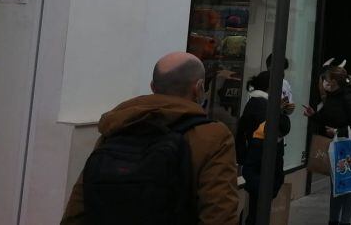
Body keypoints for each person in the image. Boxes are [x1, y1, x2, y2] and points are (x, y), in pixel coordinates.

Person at [62, 52, 239, 224]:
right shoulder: (213, 136)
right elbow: (219, 215)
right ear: (199, 88)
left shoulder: (118, 126)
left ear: (153, 87)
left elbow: (78, 208)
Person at [304, 64, 351, 225]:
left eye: (325, 80)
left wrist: (338, 131)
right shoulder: (332, 97)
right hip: (336, 146)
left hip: (349, 147)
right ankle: (333, 220)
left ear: (333, 81)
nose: (323, 83)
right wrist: (314, 116)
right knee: (337, 187)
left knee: (347, 187)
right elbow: (327, 117)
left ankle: (344, 222)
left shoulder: (349, 98)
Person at [237, 71, 292, 225]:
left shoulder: (258, 102)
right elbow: (280, 128)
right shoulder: (262, 105)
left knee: (256, 206)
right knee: (257, 207)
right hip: (261, 159)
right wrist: (281, 112)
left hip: (258, 159)